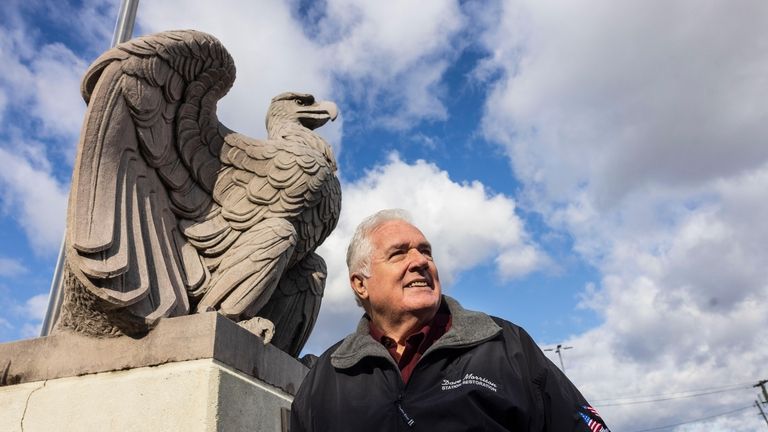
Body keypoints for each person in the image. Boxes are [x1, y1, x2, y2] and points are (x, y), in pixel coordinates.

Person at [290, 209, 610, 431]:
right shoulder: (326, 375)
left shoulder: (504, 345)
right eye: (399, 253)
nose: (421, 261)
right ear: (361, 284)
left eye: (426, 251)